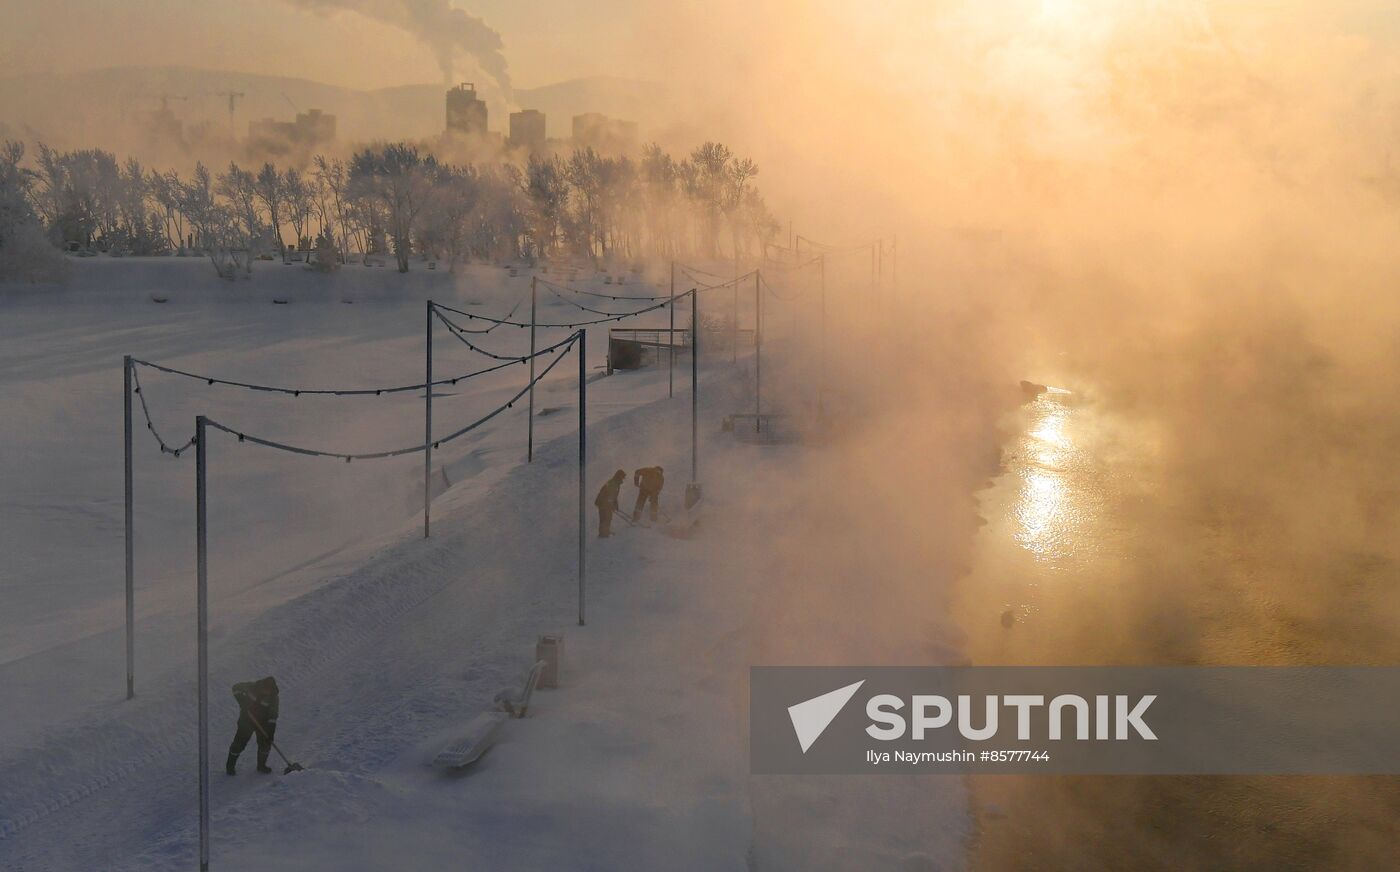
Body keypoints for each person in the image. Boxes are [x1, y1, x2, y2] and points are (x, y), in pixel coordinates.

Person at [226, 676, 280, 775]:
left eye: (269, 690)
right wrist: (242, 701)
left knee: (265, 744)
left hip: (263, 723)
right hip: (246, 720)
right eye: (265, 689)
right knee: (239, 744)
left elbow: (273, 717)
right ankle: (230, 766)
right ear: (262, 686)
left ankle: (261, 766)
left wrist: (270, 734)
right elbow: (235, 688)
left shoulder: (273, 698)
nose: (267, 692)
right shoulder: (251, 686)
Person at [595, 469, 626, 538]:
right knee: (604, 518)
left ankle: (606, 531)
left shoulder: (616, 483)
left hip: (605, 502)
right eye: (623, 477)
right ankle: (603, 534)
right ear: (619, 476)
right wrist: (610, 504)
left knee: (608, 517)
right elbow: (608, 495)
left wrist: (615, 504)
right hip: (602, 502)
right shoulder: (613, 483)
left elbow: (614, 496)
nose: (623, 479)